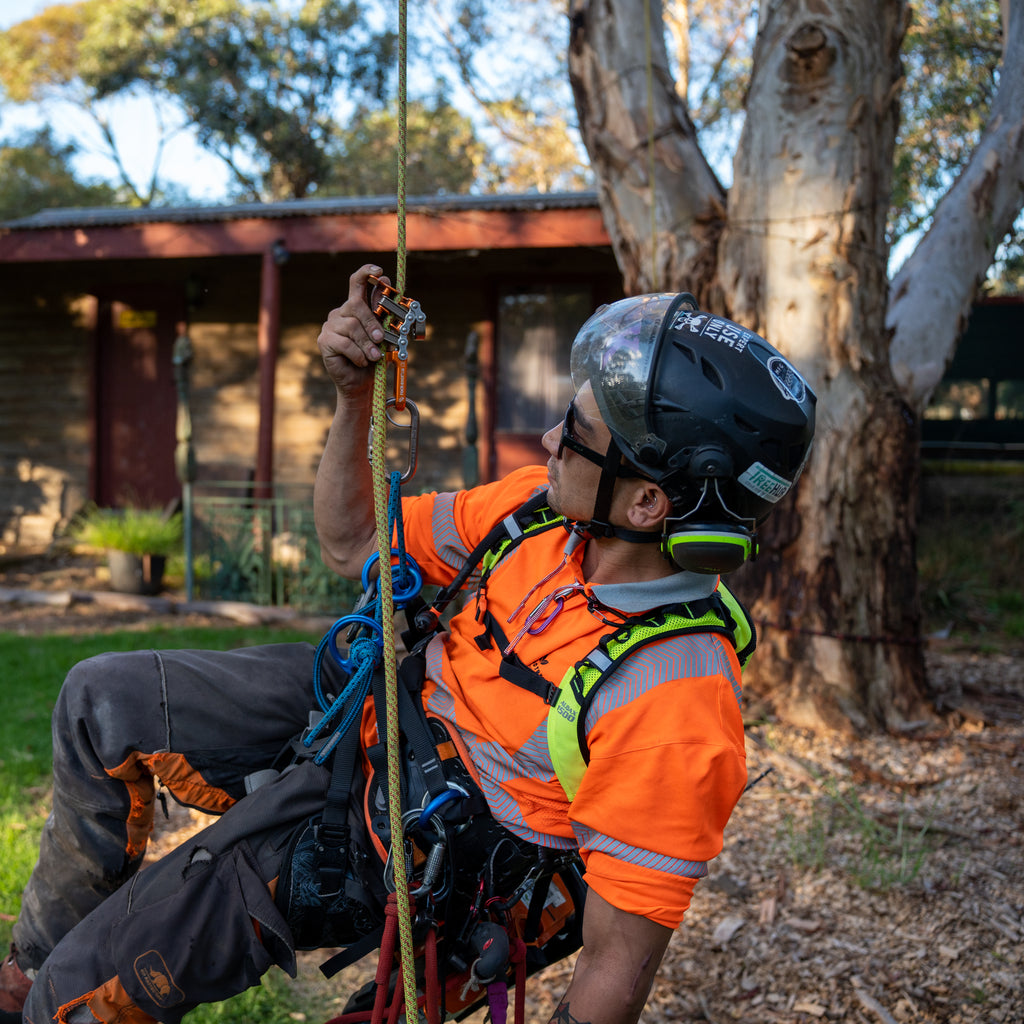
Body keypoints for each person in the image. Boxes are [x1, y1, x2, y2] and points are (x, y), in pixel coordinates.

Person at [1, 265, 815, 1024]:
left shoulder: (673, 699)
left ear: (645, 503)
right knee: (99, 699)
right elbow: (356, 541)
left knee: (80, 998)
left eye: (581, 431)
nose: (549, 439)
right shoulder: (536, 516)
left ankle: (51, 988)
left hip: (398, 843)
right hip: (375, 708)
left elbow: (616, 965)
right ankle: (29, 967)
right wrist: (356, 398)